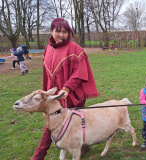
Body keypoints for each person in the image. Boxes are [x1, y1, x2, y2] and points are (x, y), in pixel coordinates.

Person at [32, 18, 99, 160]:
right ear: (52, 31)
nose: (61, 35)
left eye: (65, 32)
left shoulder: (76, 49)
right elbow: (47, 74)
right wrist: (46, 94)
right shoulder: (47, 49)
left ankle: (38, 156)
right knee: (53, 123)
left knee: (74, 122)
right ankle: (84, 145)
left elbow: (80, 73)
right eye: (58, 31)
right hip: (54, 96)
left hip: (74, 94)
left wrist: (67, 88)